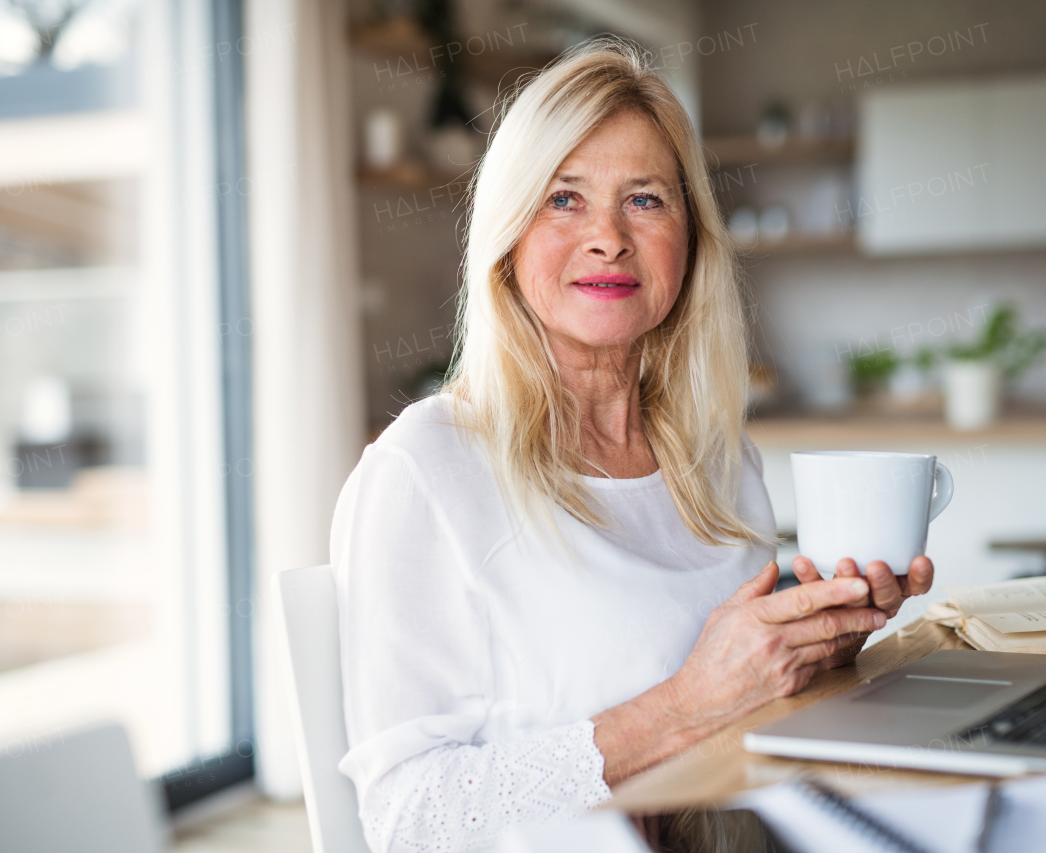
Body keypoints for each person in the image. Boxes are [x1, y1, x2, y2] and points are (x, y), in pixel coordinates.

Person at [330, 38, 934, 853]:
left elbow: (740, 725)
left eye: (645, 199)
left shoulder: (721, 460)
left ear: (690, 239)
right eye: (564, 199)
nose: (608, 236)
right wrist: (689, 702)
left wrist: (817, 647)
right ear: (507, 234)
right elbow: (407, 821)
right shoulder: (426, 470)